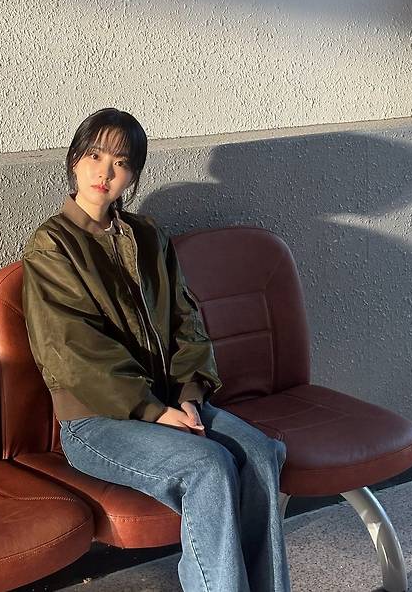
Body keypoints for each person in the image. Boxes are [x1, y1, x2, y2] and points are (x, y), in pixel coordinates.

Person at [22, 108, 291, 592]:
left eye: (121, 162)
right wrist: (153, 411)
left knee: (260, 452)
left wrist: (188, 396)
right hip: (96, 420)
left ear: (133, 175)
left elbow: (186, 319)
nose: (105, 172)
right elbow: (71, 351)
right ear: (74, 160)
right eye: (95, 155)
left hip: (170, 401)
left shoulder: (148, 236)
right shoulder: (53, 246)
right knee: (207, 467)